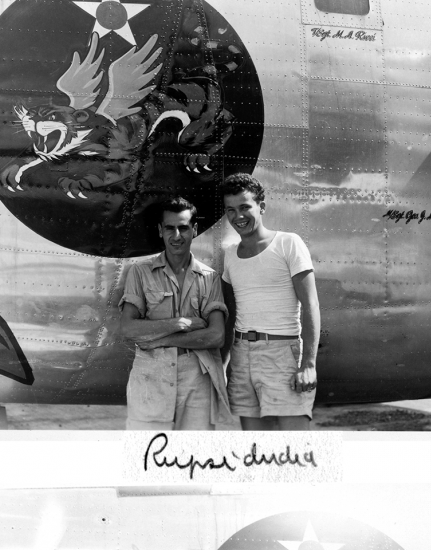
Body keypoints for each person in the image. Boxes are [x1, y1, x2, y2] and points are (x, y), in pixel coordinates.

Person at [119, 196, 236, 430]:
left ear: (194, 230)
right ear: (160, 231)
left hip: (197, 377)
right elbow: (128, 328)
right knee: (147, 454)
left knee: (192, 456)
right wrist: (181, 323)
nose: (176, 236)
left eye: (183, 228)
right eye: (170, 228)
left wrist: (161, 339)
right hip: (151, 375)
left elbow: (216, 337)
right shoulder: (140, 273)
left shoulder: (210, 278)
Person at [221, 173, 321, 429]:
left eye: (245, 207)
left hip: (281, 353)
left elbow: (310, 305)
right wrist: (224, 364)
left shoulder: (288, 243)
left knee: (292, 447)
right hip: (242, 356)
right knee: (257, 448)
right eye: (231, 210)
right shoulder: (230, 256)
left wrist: (308, 364)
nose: (238, 216)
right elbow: (231, 315)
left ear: (262, 207)